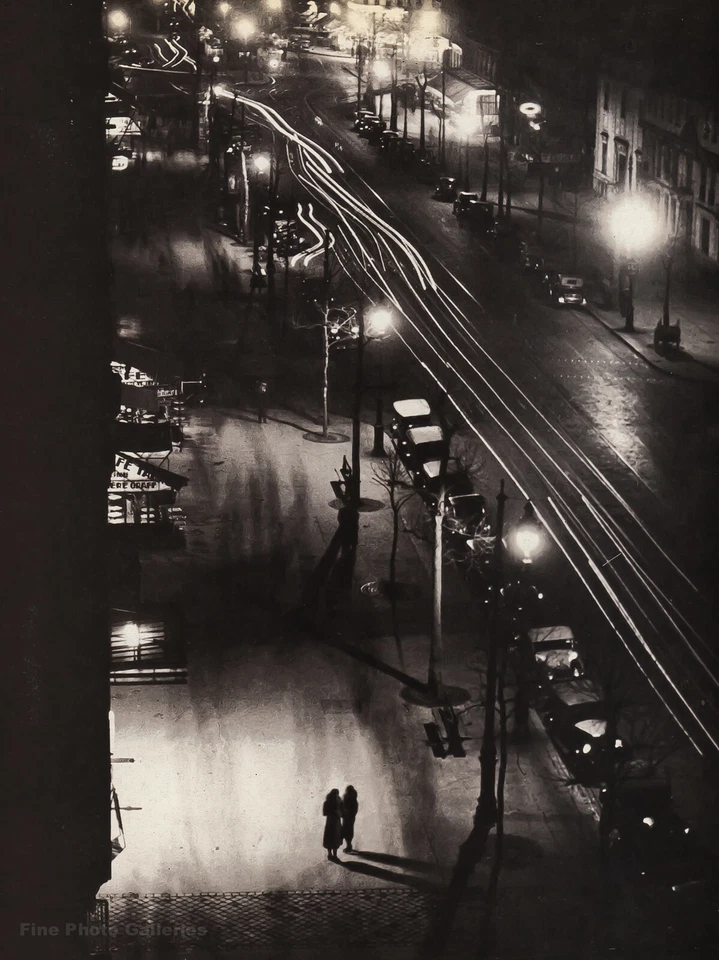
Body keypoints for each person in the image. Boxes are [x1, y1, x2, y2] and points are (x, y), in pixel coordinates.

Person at [322, 789, 343, 861]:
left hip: (329, 822)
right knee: (336, 837)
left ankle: (329, 853)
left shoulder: (326, 802)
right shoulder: (339, 801)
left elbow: (324, 813)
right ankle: (335, 854)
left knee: (329, 837)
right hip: (336, 822)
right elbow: (342, 813)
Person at [341, 786, 358, 853]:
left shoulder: (348, 799)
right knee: (349, 830)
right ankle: (349, 845)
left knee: (347, 831)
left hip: (348, 817)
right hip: (349, 817)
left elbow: (353, 810)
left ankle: (348, 845)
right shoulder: (353, 799)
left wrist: (344, 813)